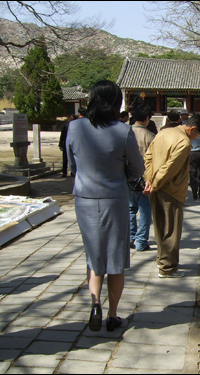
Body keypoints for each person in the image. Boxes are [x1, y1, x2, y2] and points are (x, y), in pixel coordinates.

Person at [66, 80, 145, 332]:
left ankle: (94, 303)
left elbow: (71, 161)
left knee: (94, 254)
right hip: (114, 198)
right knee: (116, 257)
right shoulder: (123, 131)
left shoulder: (75, 127)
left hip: (85, 198)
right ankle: (112, 314)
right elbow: (137, 168)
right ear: (115, 103)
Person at [143, 113, 200, 278]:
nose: (194, 139)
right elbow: (171, 168)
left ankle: (161, 259)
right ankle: (168, 267)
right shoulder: (183, 142)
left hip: (155, 187)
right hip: (170, 189)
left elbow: (148, 157)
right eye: (196, 135)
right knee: (171, 230)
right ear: (192, 129)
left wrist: (149, 180)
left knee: (159, 227)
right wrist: (155, 182)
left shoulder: (164, 132)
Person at [128, 105, 155, 252]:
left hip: (128, 175)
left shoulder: (126, 132)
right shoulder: (150, 136)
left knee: (130, 208)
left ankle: (131, 236)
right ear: (147, 119)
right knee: (145, 210)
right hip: (145, 176)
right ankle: (141, 240)